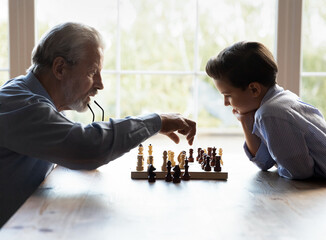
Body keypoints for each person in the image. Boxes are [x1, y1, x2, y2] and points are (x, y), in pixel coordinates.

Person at [0, 22, 196, 226]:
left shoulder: (31, 98)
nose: (100, 84)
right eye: (92, 72)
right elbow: (86, 147)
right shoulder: (22, 105)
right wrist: (157, 121)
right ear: (60, 68)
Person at [205, 41, 326, 197]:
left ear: (254, 89)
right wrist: (246, 122)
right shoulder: (280, 100)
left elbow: (299, 172)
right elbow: (264, 162)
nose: (226, 103)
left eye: (228, 96)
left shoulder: (270, 113)